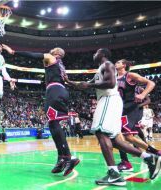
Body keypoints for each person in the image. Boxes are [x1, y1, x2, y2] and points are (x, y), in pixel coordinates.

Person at [65, 48, 161, 186]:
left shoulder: (107, 64)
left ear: (102, 55)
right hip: (112, 101)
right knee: (115, 141)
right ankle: (149, 158)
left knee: (100, 132)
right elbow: (85, 85)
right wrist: (69, 81)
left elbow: (109, 84)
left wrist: (90, 84)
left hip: (108, 99)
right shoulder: (100, 69)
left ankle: (114, 174)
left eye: (96, 52)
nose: (93, 54)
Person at [2, 44, 80, 176]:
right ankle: (62, 157)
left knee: (53, 124)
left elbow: (34, 55)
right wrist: (17, 80)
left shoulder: (51, 57)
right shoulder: (61, 67)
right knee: (53, 124)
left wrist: (14, 51)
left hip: (54, 91)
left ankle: (67, 156)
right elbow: (41, 82)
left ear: (56, 53)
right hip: (61, 91)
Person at [115, 59, 161, 172]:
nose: (115, 63)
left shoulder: (130, 75)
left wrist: (143, 95)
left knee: (121, 135)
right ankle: (155, 153)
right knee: (124, 136)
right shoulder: (114, 78)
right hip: (120, 109)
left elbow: (151, 83)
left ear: (124, 65)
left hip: (130, 107)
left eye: (118, 62)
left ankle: (126, 162)